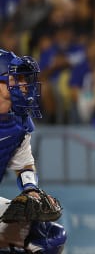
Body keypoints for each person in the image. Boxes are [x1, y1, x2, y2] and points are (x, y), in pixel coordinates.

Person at [0, 49, 67, 253]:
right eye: (16, 78)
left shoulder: (19, 123)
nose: (24, 85)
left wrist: (31, 189)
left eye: (24, 79)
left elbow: (24, 164)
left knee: (48, 236)